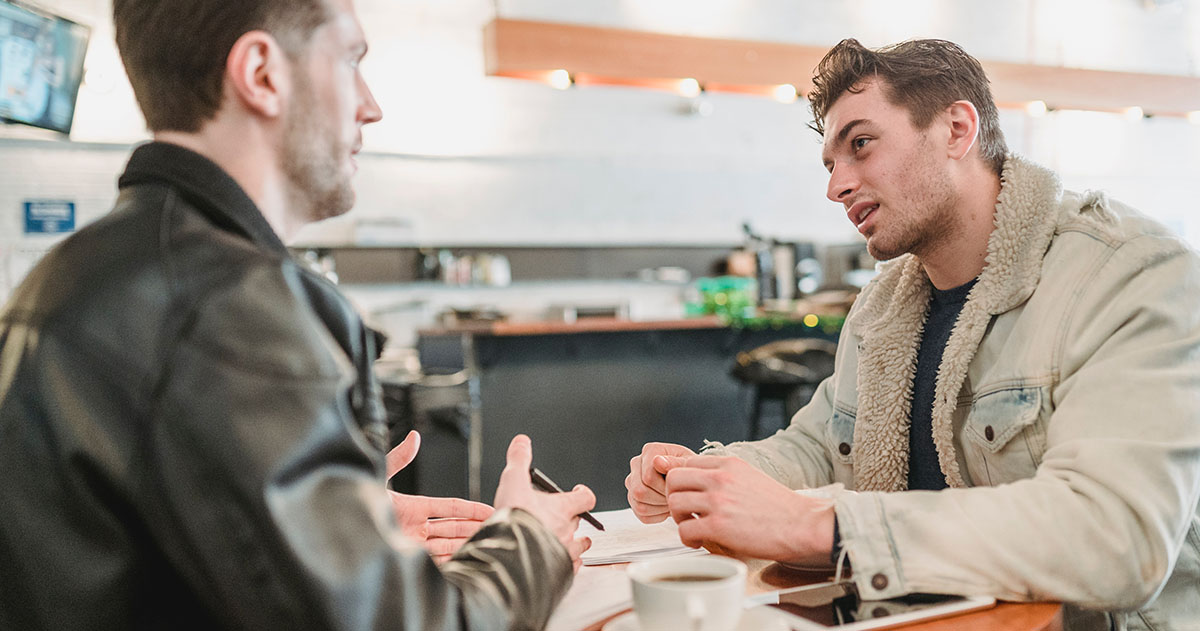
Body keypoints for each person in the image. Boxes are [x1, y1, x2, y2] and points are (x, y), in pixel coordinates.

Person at [0, 0, 596, 629]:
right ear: (262, 73)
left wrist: (332, 534)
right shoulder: (230, 306)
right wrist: (530, 541)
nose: (372, 105)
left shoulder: (62, 277)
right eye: (350, 61)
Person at [626, 38, 1200, 630]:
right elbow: (823, 446)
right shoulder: (882, 305)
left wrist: (817, 527)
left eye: (861, 144)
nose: (836, 186)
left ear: (956, 129)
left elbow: (1117, 538)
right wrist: (706, 480)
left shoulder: (1132, 272)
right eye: (830, 163)